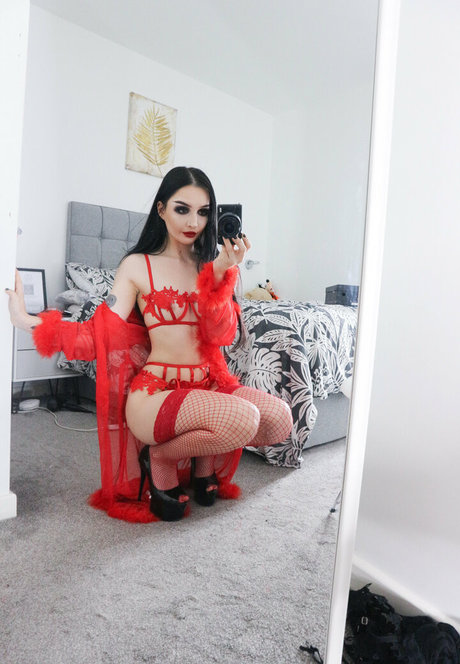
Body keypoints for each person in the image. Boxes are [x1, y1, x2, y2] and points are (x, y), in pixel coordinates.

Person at [7, 166, 293, 523]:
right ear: (161, 209)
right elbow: (96, 335)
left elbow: (222, 335)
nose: (193, 222)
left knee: (279, 420)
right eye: (181, 209)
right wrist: (25, 320)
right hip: (156, 393)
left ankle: (201, 462)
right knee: (243, 419)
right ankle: (161, 456)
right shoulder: (136, 266)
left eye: (204, 212)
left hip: (208, 384)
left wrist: (222, 272)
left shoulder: (213, 265)